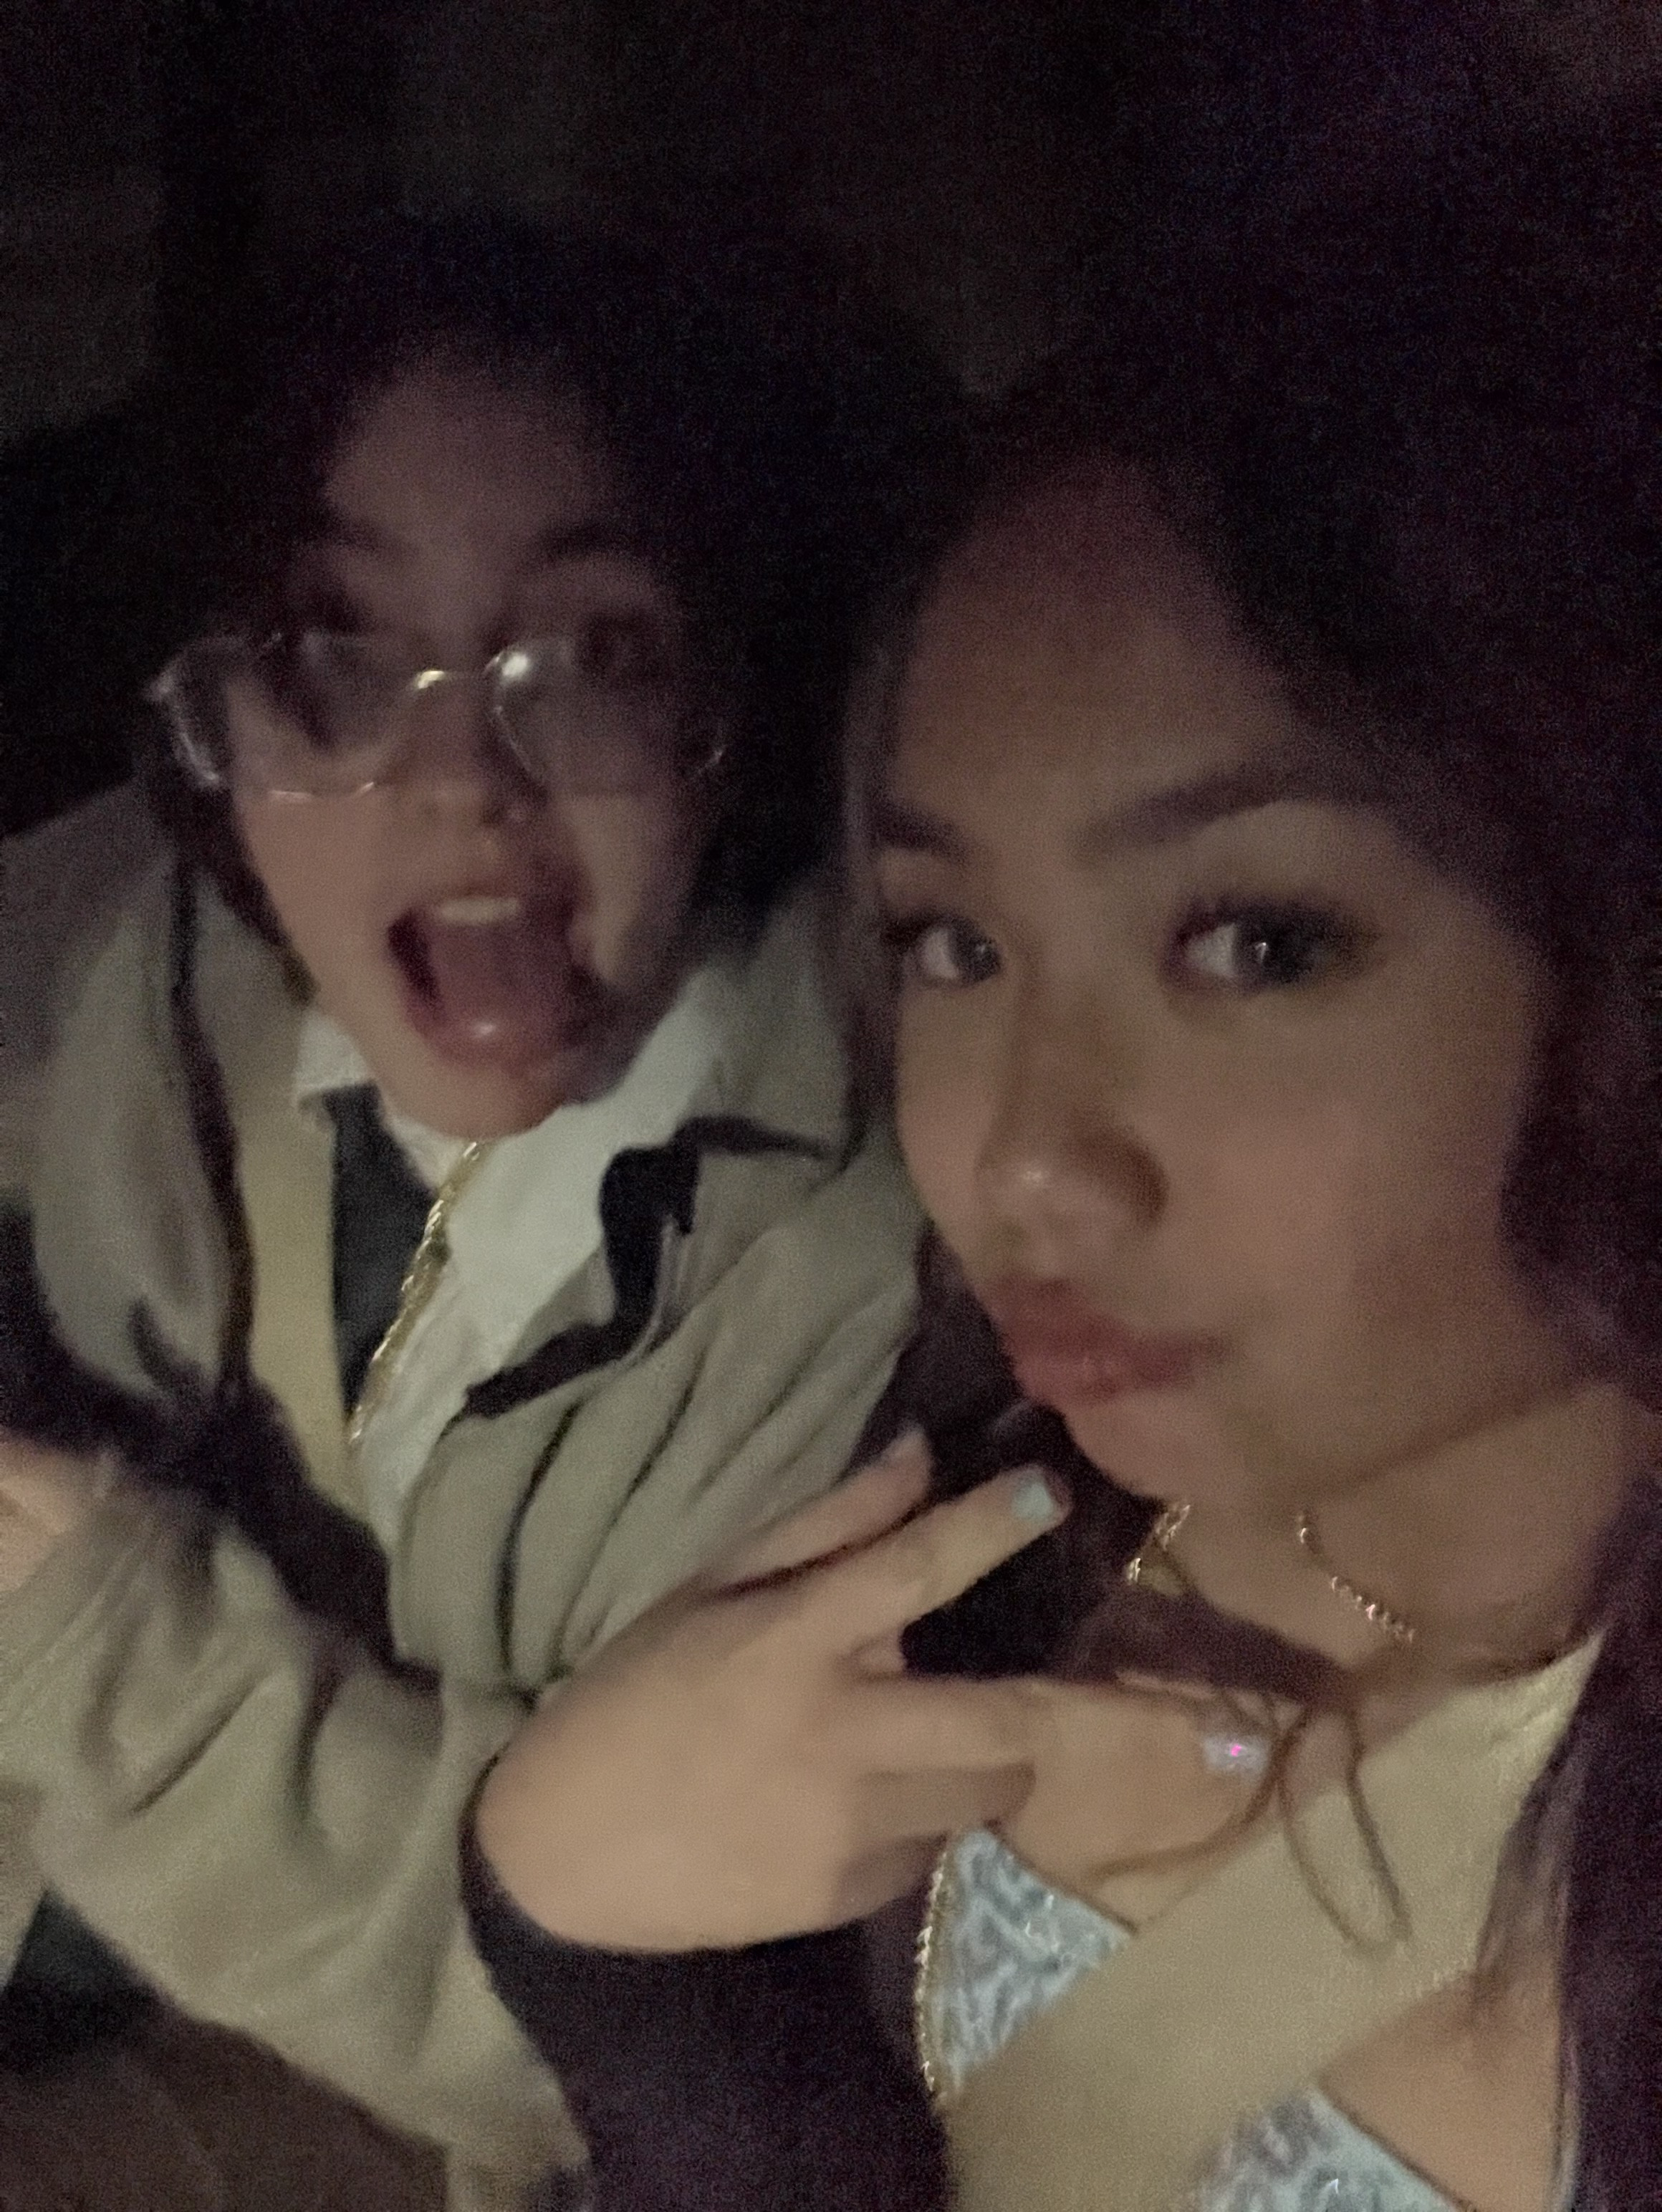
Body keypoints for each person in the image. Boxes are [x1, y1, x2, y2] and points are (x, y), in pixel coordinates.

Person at [456, 135, 1661, 2212]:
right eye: (954, 945)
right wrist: (579, 1903)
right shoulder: (1000, 1524)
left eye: (1256, 944)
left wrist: (625, 1986)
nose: (1019, 1155)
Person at [0, 209, 961, 2208]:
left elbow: (597, 2056)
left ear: (732, 711)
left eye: (594, 657)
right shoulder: (170, 980)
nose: (459, 777)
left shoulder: (842, 1268)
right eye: (335, 658)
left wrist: (104, 1648)